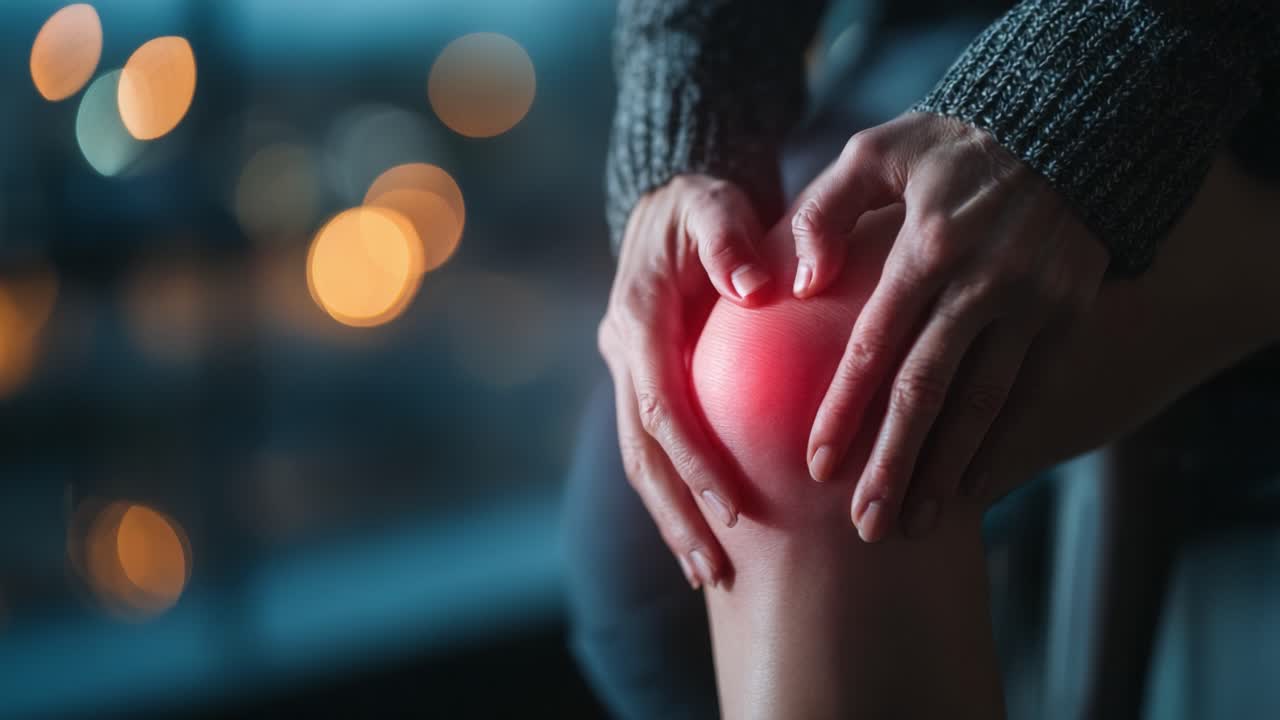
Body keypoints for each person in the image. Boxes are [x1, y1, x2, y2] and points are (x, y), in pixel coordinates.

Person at [567, 0, 1279, 716]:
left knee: (812, 393)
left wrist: (1081, 90)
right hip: (925, 36)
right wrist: (683, 130)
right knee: (651, 540)